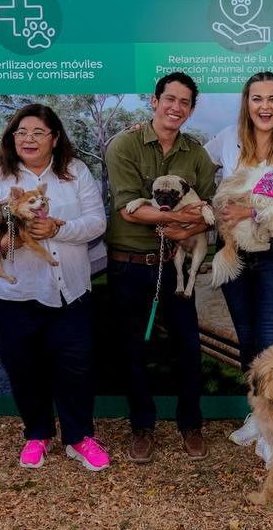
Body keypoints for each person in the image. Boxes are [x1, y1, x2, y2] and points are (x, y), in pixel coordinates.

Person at [0, 104, 110, 471]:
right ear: (11, 138)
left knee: (76, 366)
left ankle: (79, 436)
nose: (29, 139)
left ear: (54, 138)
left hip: (70, 290)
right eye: (22, 132)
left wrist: (59, 229)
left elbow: (96, 223)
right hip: (16, 295)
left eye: (38, 132)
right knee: (23, 366)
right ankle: (36, 434)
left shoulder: (75, 173)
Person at [104, 72, 216, 463]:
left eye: (185, 102)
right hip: (131, 265)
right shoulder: (125, 145)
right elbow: (128, 208)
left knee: (187, 348)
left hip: (175, 265)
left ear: (190, 109)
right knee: (134, 350)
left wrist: (192, 223)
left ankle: (191, 424)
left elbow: (211, 210)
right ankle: (142, 428)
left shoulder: (196, 154)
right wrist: (182, 219)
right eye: (170, 99)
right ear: (155, 101)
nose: (176, 107)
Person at [203, 71, 273, 451]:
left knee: (271, 344)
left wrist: (251, 214)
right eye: (257, 99)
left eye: (272, 99)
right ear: (246, 103)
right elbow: (191, 165)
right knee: (248, 343)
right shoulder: (227, 140)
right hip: (238, 252)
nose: (264, 107)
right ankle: (259, 417)